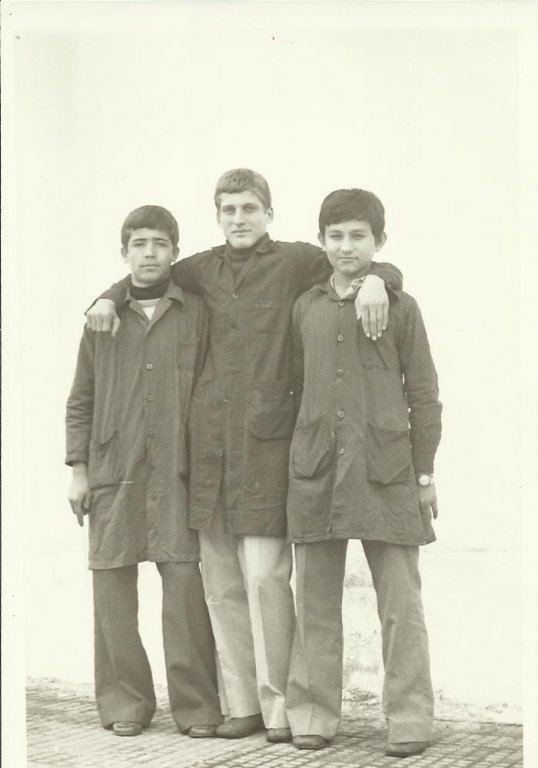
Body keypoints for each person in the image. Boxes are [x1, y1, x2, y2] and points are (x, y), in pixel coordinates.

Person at [85, 170, 404, 743]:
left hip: (268, 449)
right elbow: (145, 274)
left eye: (249, 208)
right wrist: (108, 295)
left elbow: (351, 260)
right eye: (229, 209)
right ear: (217, 216)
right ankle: (241, 705)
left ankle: (279, 708)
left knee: (264, 581)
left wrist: (381, 278)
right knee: (222, 587)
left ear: (268, 213)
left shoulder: (297, 261)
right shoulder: (199, 269)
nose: (239, 218)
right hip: (208, 448)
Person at [285, 188, 441, 758]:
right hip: (316, 473)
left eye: (358, 236)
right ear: (321, 240)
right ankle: (311, 715)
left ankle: (410, 719)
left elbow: (424, 396)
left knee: (401, 606)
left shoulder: (402, 307)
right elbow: (293, 387)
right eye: (336, 236)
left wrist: (424, 474)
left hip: (387, 473)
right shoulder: (305, 307)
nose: (346, 246)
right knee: (314, 605)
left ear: (380, 241)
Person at [66, 205, 222, 739]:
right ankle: (125, 702)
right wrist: (79, 471)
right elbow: (81, 400)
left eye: (160, 243)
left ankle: (198, 707)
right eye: (139, 243)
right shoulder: (101, 319)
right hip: (115, 470)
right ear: (124, 252)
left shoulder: (196, 312)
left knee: (184, 592)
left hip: (177, 473)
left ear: (175, 252)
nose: (149, 253)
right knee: (112, 590)